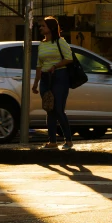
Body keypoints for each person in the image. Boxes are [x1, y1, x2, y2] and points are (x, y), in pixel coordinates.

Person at [32, 16, 74, 150]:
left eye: (43, 26)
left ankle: (68, 140)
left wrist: (55, 66)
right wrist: (35, 83)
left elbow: (69, 58)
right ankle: (52, 141)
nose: (40, 28)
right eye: (40, 26)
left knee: (58, 110)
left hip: (59, 77)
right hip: (45, 78)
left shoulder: (60, 42)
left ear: (51, 28)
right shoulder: (42, 44)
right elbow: (39, 65)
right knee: (49, 108)